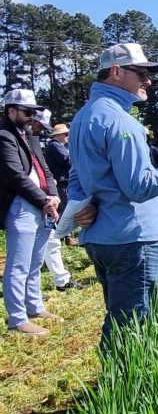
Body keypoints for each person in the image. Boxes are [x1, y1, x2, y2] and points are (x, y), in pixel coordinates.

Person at [67, 42, 158, 349]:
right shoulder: (122, 122)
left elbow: (76, 174)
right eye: (142, 73)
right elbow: (140, 187)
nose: (148, 81)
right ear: (117, 72)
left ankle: (118, 385)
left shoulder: (84, 116)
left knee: (120, 314)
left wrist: (82, 204)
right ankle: (120, 389)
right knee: (132, 323)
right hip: (131, 238)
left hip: (101, 236)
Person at [1, 90, 62, 335]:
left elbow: (45, 171)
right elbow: (14, 175)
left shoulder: (29, 136)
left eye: (33, 112)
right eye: (28, 112)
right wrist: (44, 200)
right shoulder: (4, 136)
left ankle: (34, 306)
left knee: (36, 260)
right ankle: (17, 318)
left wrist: (55, 195)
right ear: (11, 111)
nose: (32, 117)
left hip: (41, 205)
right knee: (18, 263)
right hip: (21, 205)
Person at [28, 111, 83, 292]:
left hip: (45, 197)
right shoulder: (13, 140)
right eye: (38, 126)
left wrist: (51, 194)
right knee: (29, 249)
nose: (39, 130)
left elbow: (45, 172)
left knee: (50, 243)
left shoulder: (33, 141)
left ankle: (60, 282)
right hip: (30, 201)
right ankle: (30, 294)